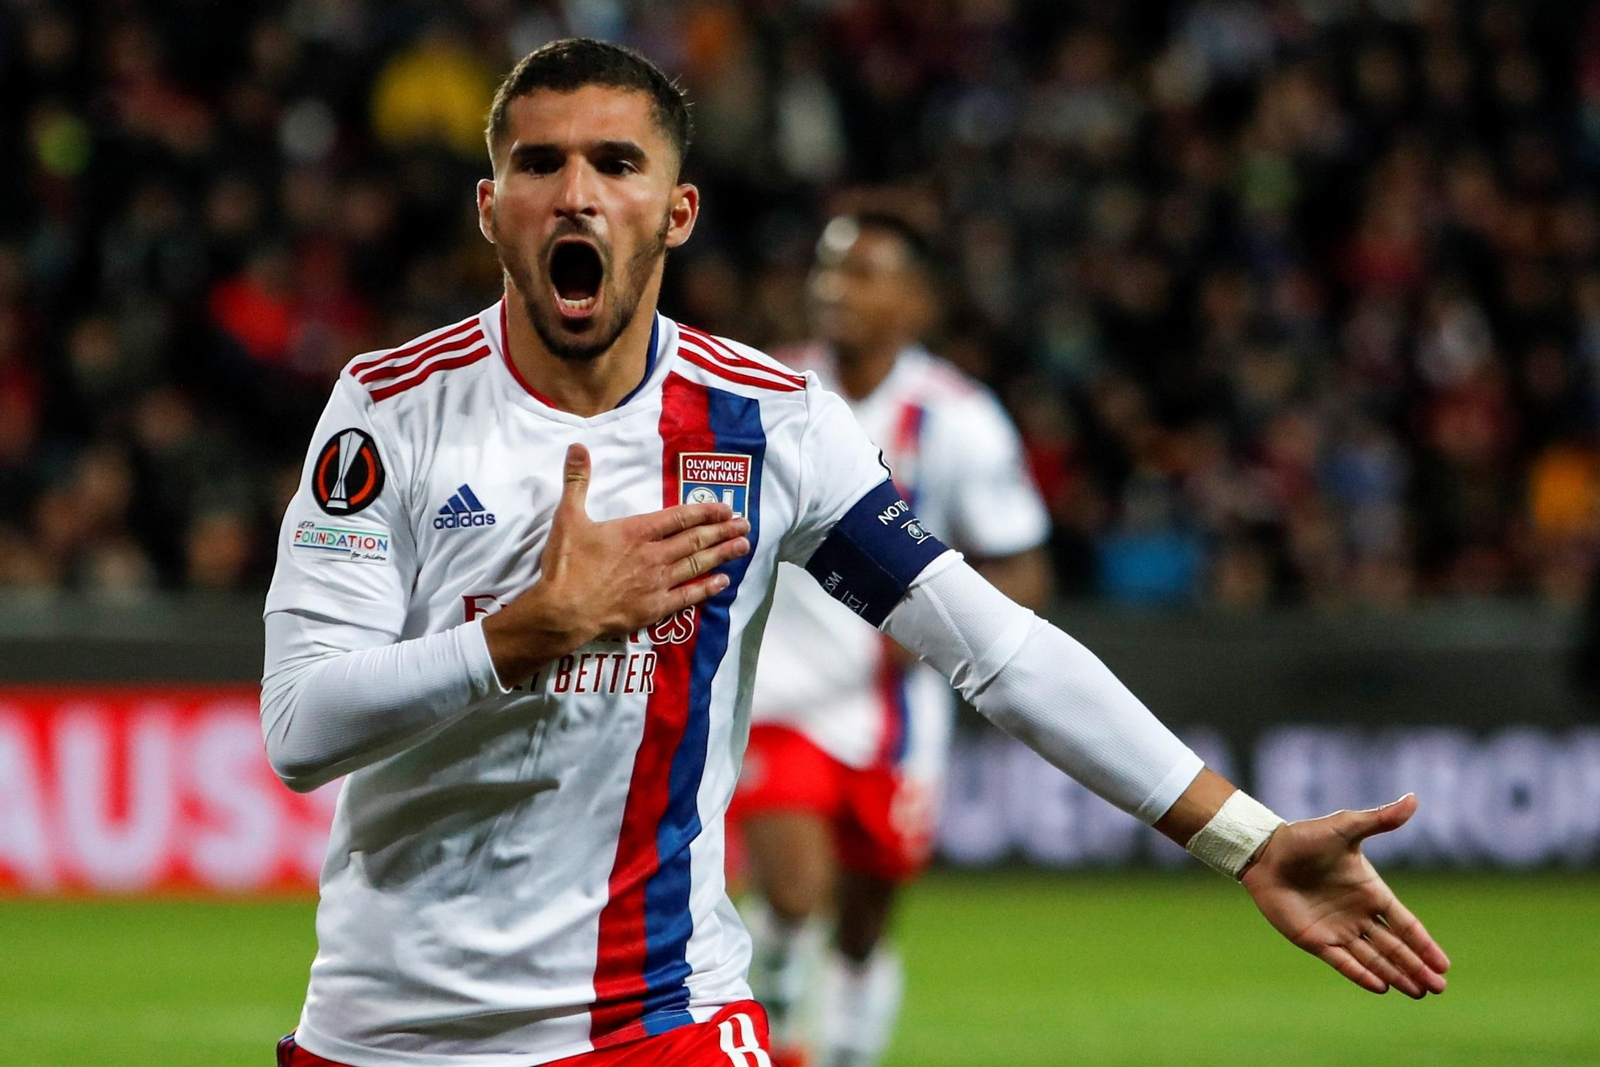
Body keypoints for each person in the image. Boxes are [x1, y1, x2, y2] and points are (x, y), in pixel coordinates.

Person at [261, 38, 1450, 1067]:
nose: (575, 195)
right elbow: (301, 728)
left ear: (674, 212)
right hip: (392, 1025)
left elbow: (995, 648)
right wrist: (532, 629)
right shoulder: (390, 407)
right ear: (491, 207)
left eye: (615, 163)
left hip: (658, 1013)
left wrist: (1242, 834)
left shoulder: (767, 421)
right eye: (539, 163)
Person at [729, 212, 1052, 1067]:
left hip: (891, 713)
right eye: (829, 269)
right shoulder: (771, 388)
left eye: (864, 273)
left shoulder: (959, 418)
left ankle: (843, 1052)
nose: (837, 289)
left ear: (914, 301)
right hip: (778, 693)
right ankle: (771, 1042)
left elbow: (1022, 566)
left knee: (865, 927)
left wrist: (933, 630)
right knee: (794, 889)